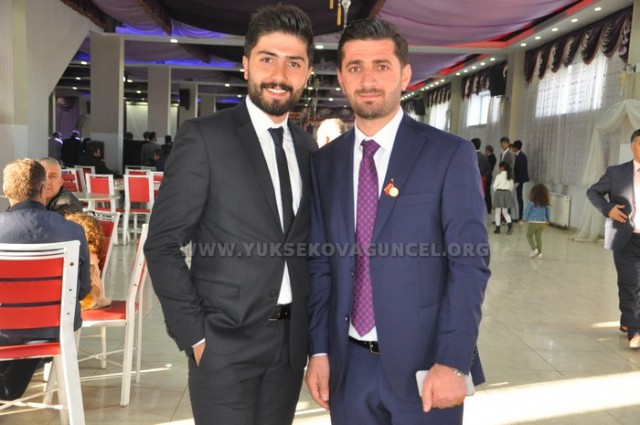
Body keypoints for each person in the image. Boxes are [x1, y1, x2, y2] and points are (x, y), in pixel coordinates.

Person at [304, 19, 489, 425]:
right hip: (348, 368)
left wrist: (453, 361)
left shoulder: (448, 155)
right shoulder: (325, 164)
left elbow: (469, 264)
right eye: (355, 67)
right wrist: (319, 350)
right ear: (341, 78)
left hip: (427, 367)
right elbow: (320, 265)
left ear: (405, 75)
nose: (368, 80)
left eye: (382, 66)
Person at [144, 4, 316, 424]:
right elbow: (162, 244)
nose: (280, 74)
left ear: (308, 73)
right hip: (223, 343)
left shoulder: (308, 148)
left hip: (290, 347)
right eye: (267, 59)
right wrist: (195, 335)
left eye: (294, 63)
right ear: (246, 64)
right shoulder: (205, 138)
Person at [0, 159, 90, 400]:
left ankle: (8, 389)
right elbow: (82, 290)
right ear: (43, 190)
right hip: (52, 328)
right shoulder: (73, 231)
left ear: (6, 191)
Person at [587, 129, 640, 348]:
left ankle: (627, 320)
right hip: (626, 238)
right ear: (632, 147)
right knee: (630, 283)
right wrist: (608, 209)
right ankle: (635, 331)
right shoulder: (617, 172)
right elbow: (593, 192)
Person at [66, 212, 111, 310]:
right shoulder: (92, 253)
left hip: (88, 299)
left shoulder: (88, 256)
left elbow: (85, 285)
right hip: (90, 298)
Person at [522, 183, 550, 258]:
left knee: (529, 235)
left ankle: (534, 249)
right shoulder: (545, 203)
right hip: (543, 222)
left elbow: (527, 211)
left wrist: (523, 219)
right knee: (538, 237)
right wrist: (548, 220)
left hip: (534, 222)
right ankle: (540, 253)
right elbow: (548, 212)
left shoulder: (531, 202)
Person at [492, 161, 514, 234]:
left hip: (499, 193)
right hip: (507, 193)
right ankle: (510, 226)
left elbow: (494, 186)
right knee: (505, 212)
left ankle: (497, 229)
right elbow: (511, 187)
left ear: (502, 168)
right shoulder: (510, 176)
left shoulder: (499, 176)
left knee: (497, 212)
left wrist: (496, 192)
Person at [512, 140, 530, 222]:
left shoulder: (521, 156)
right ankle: (517, 215)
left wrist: (517, 180)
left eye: (513, 147)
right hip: (517, 179)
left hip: (519, 180)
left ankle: (520, 216)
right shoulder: (518, 155)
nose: (513, 149)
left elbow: (521, 169)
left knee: (519, 197)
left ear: (516, 148)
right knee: (517, 197)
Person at [471, 138, 491, 206]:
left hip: (472, 179)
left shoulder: (471, 155)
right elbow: (489, 169)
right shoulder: (484, 157)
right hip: (481, 179)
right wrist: (484, 177)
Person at [484, 145, 497, 213]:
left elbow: (488, 168)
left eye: (485, 150)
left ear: (488, 150)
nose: (484, 152)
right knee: (487, 192)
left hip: (488, 177)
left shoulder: (491, 158)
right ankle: (488, 208)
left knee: (487, 192)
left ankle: (488, 208)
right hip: (488, 176)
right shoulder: (491, 157)